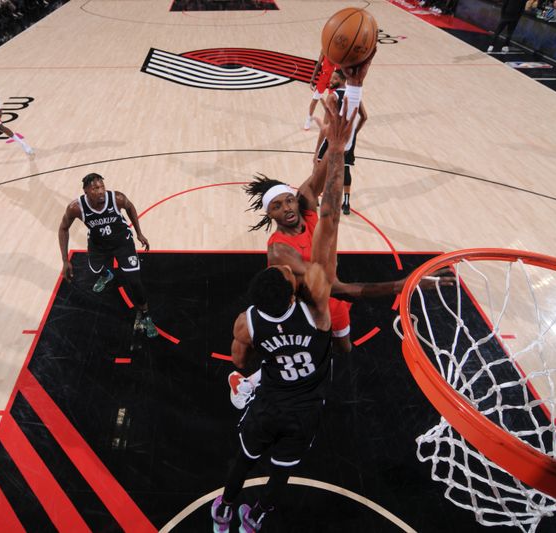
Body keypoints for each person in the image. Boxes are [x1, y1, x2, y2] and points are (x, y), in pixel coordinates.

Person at [211, 95, 358, 533]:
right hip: (313, 302)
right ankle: (249, 381)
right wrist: (392, 287)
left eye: (287, 202)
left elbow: (318, 175)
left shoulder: (306, 205)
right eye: (276, 207)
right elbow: (322, 286)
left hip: (331, 297)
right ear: (270, 216)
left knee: (342, 352)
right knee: (299, 359)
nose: (286, 207)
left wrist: (333, 139)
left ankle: (268, 383)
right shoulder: (278, 249)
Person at [58, 172, 158, 338]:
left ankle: (146, 315)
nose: (101, 191)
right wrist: (64, 260)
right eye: (95, 188)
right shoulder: (75, 208)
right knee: (96, 270)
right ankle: (106, 275)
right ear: (86, 192)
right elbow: (63, 228)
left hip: (122, 243)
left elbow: (130, 207)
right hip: (98, 245)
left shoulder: (116, 198)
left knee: (134, 281)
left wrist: (139, 233)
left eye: (102, 186)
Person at [312, 68, 368, 215]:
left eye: (334, 79)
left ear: (343, 80)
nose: (331, 81)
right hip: (348, 138)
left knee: (319, 164)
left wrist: (317, 150)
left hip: (334, 137)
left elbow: (325, 128)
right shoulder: (355, 97)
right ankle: (346, 203)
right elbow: (364, 117)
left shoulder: (333, 97)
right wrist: (353, 132)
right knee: (346, 168)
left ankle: (316, 196)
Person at [303, 51, 335, 131]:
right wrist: (312, 79)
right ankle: (309, 118)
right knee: (315, 99)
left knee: (333, 102)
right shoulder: (325, 49)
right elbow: (318, 64)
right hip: (324, 77)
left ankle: (330, 123)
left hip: (334, 78)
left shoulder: (341, 51)